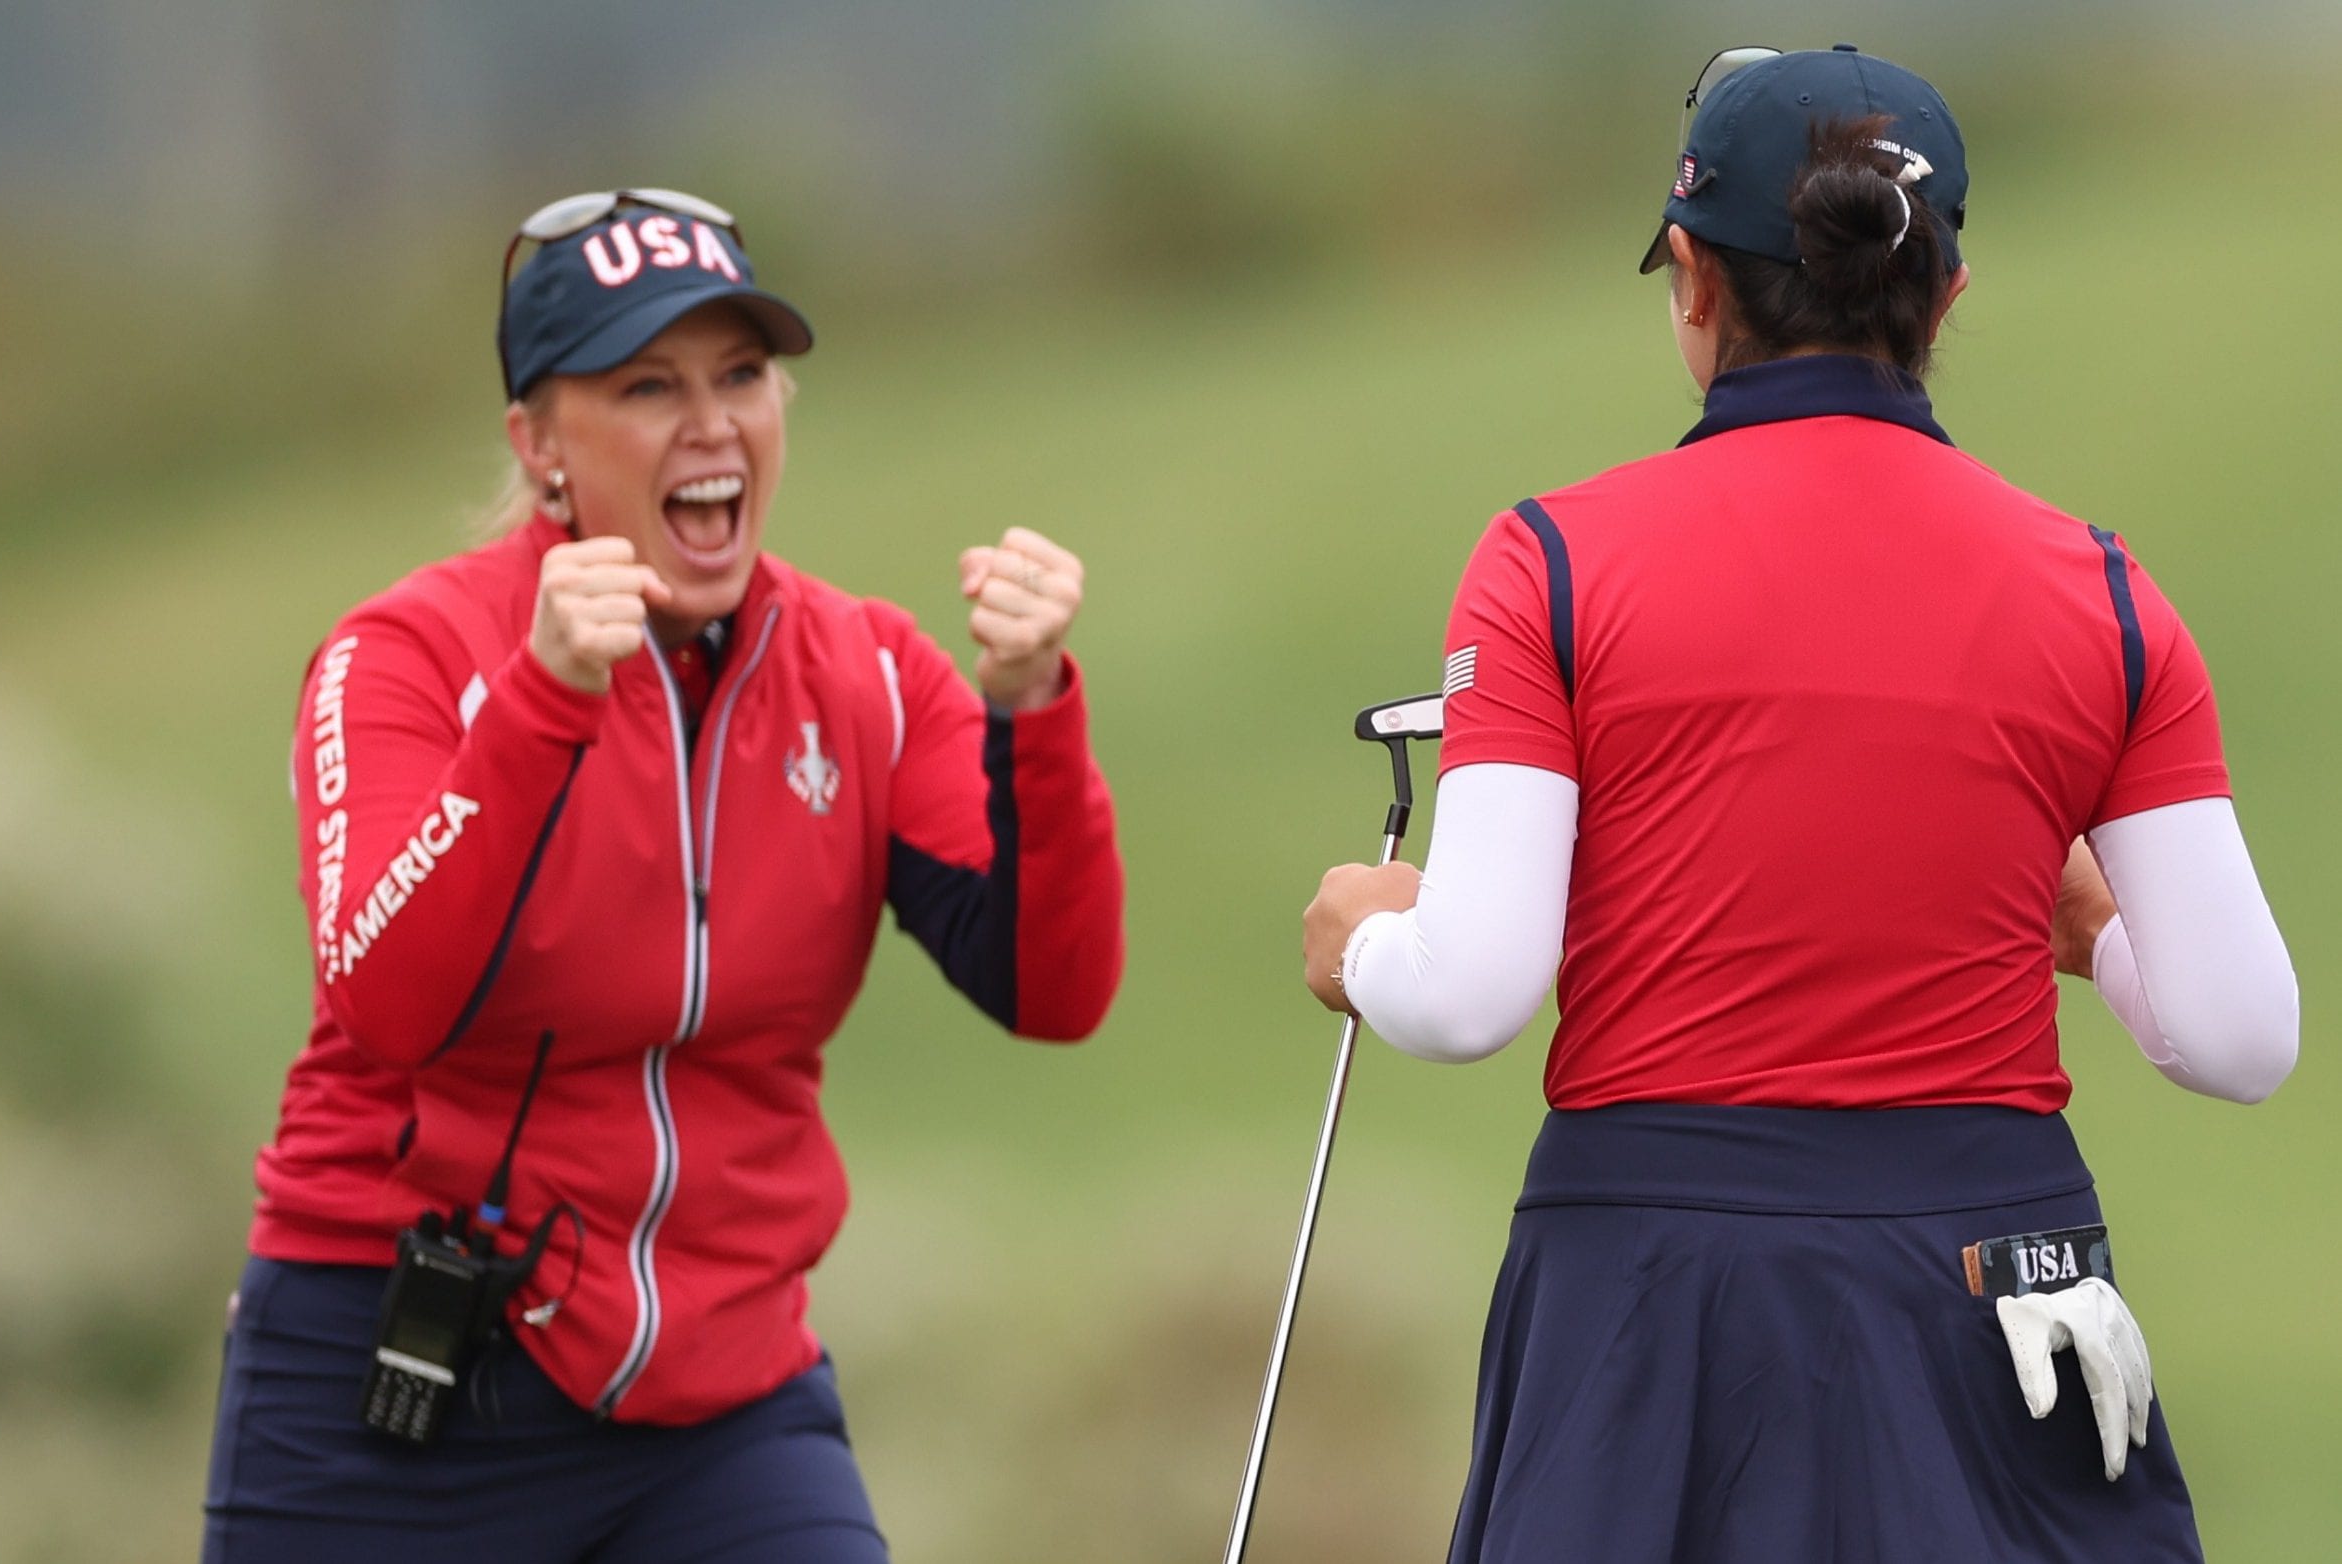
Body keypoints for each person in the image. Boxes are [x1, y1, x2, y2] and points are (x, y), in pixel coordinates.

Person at [1301, 46, 2297, 1564]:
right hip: (1999, 1289)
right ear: (1947, 299)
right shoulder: (2106, 595)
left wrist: (1364, 939)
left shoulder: (1547, 567)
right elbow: (2241, 1038)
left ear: (1693, 279)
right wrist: (2092, 935)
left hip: (1649, 1301)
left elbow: (1470, 994)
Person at [201, 187, 1126, 1563]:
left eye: (742, 375)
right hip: (398, 1379)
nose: (712, 425)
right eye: (648, 385)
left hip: (723, 1402)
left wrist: (1033, 710)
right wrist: (543, 701)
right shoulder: (407, 658)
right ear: (540, 444)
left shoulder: (864, 671)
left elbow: (1050, 987)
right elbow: (387, 1000)